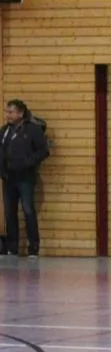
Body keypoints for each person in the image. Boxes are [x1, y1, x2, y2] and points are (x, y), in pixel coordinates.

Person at [0, 99, 49, 257]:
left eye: (11, 112)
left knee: (28, 210)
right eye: (7, 112)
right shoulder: (4, 131)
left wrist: (29, 162)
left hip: (25, 178)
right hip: (8, 177)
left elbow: (43, 151)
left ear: (20, 113)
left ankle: (33, 247)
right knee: (9, 212)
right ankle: (12, 247)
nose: (8, 115)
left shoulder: (33, 130)